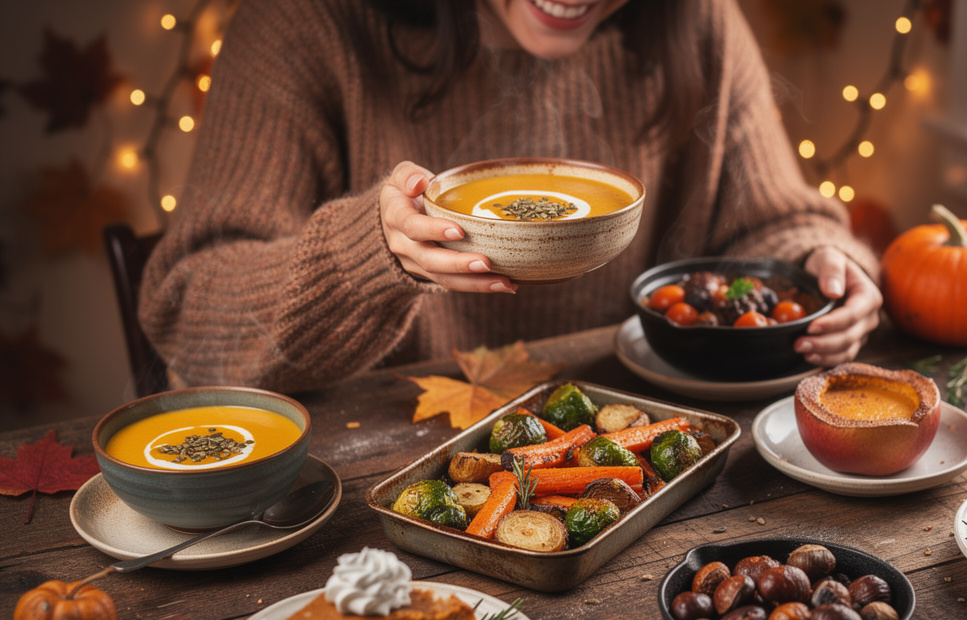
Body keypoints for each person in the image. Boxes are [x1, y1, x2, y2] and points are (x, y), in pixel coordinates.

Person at [139, 0, 883, 393]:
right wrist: (369, 255)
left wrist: (821, 266)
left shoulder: (694, 19)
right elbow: (188, 317)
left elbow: (778, 223)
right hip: (368, 485)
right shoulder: (305, 24)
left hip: (622, 445)